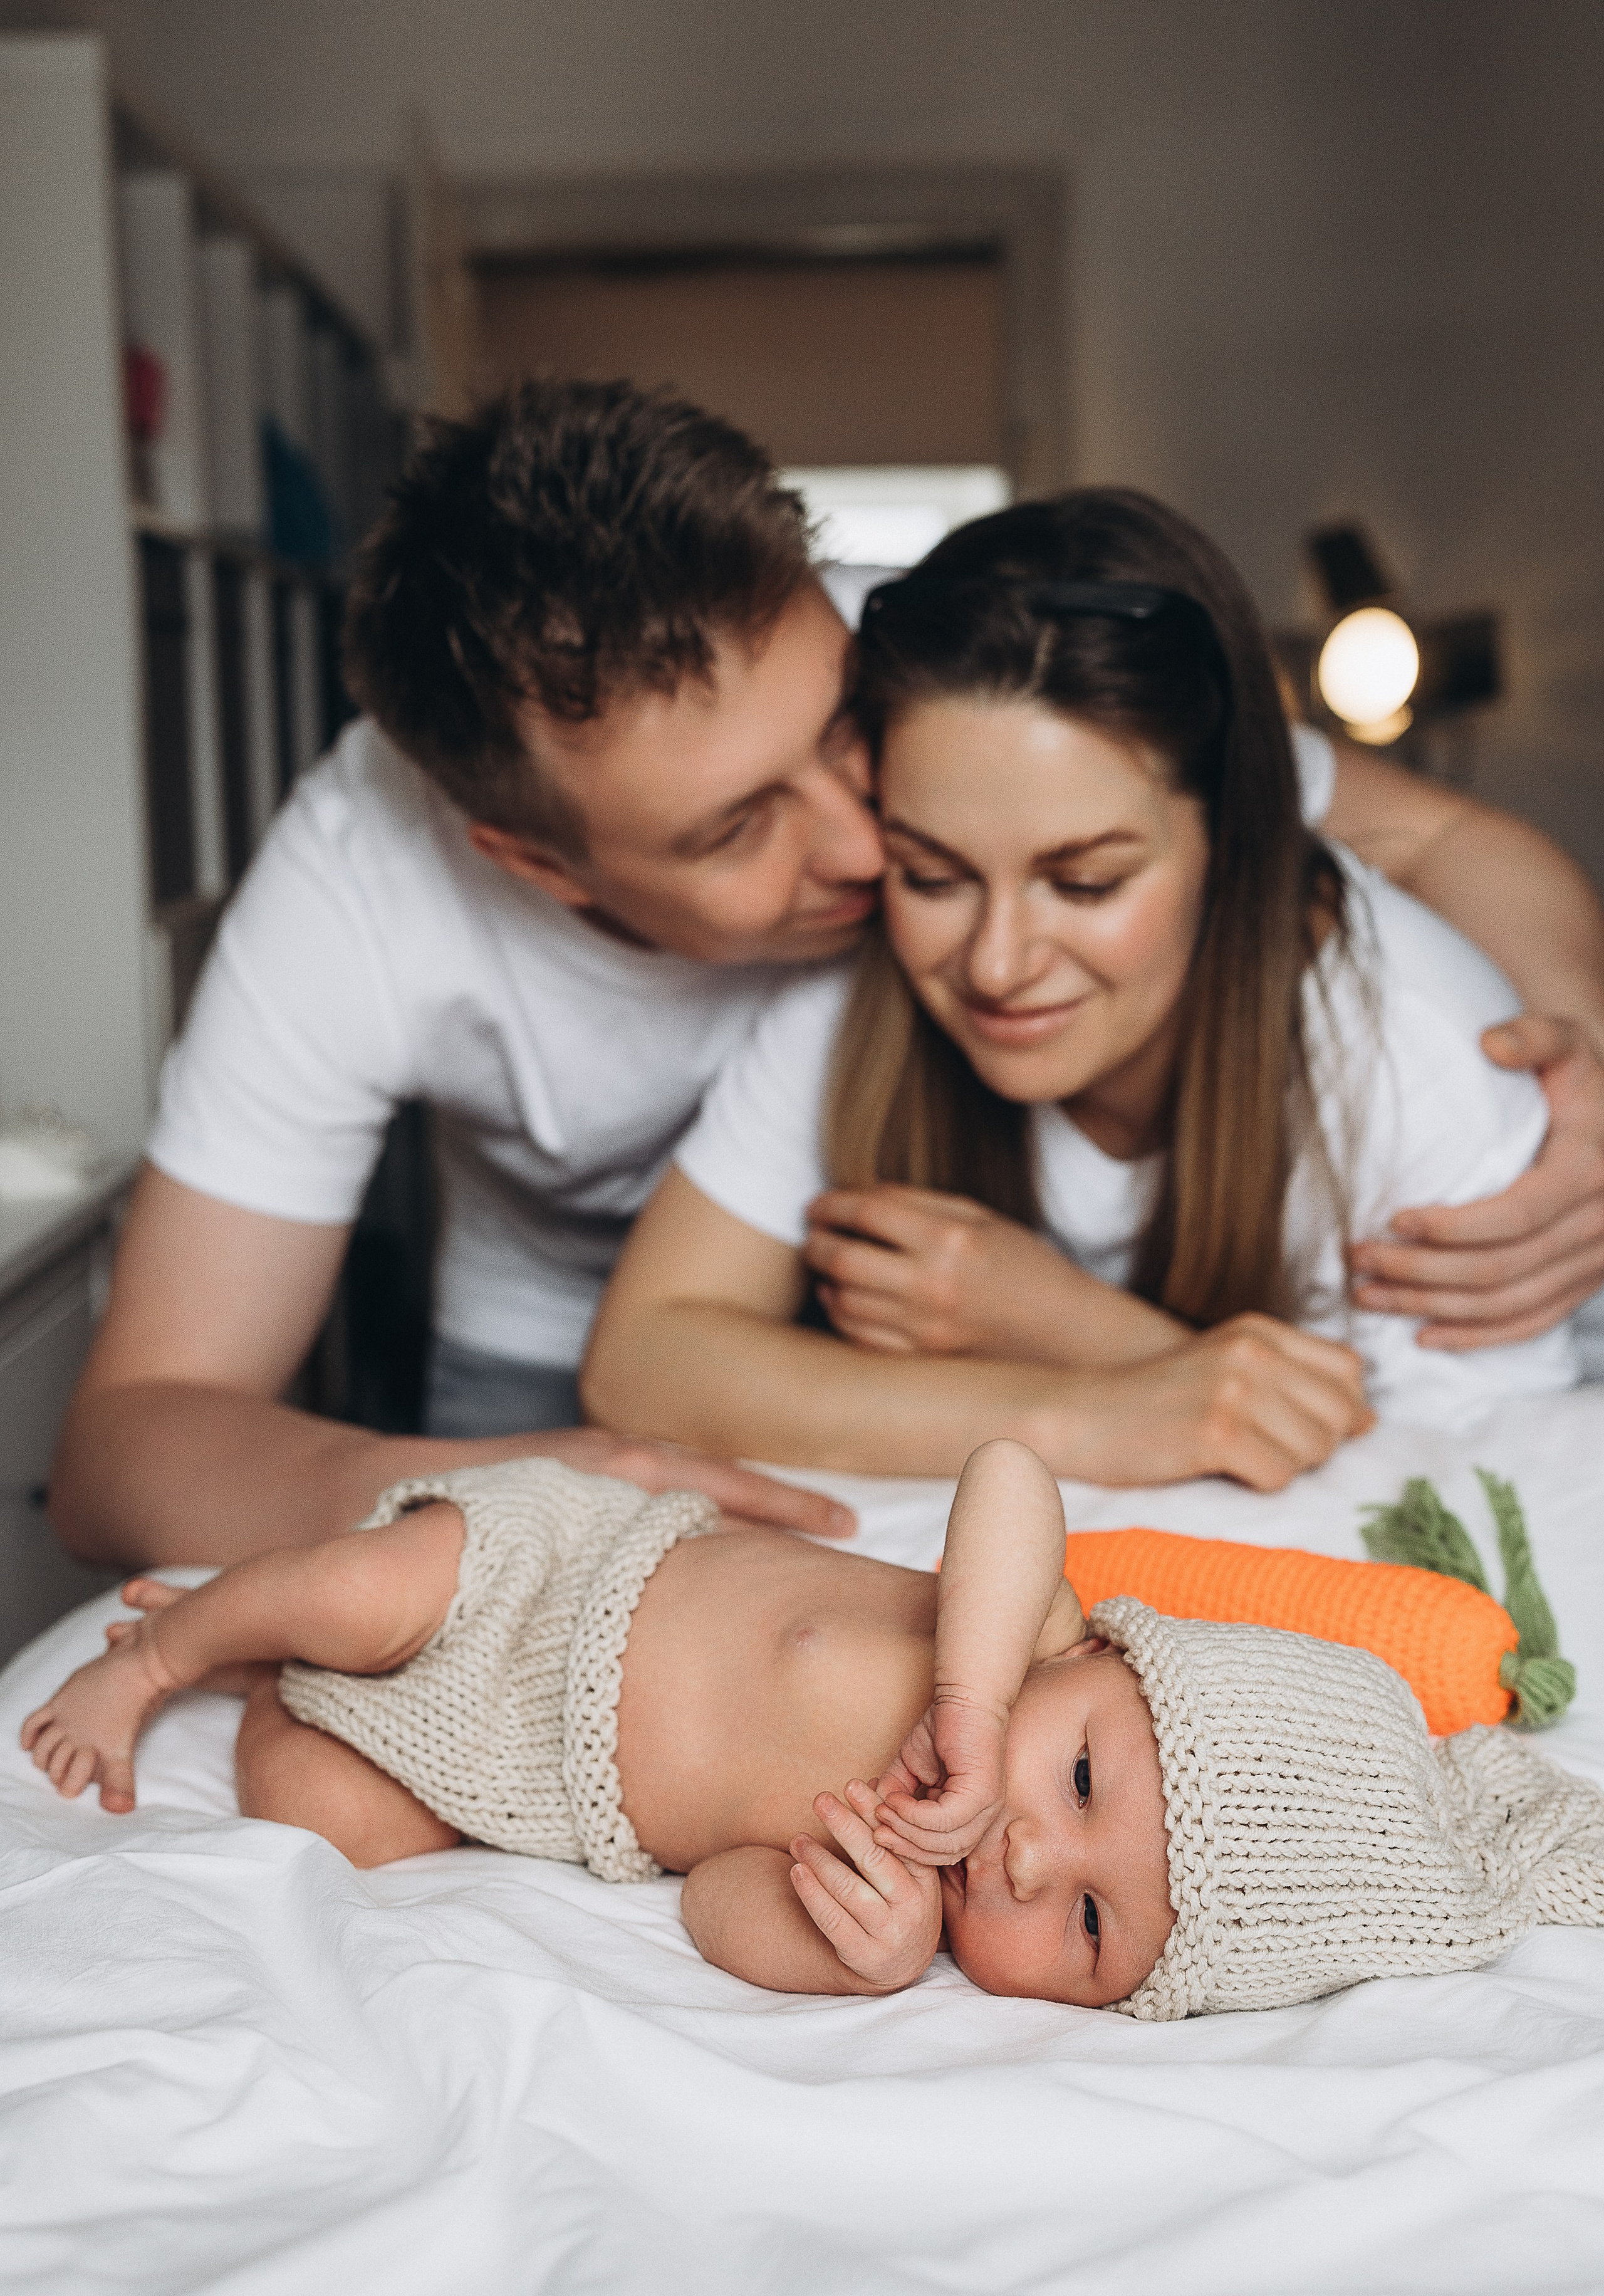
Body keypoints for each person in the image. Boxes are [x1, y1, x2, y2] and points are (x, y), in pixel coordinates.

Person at [47, 384, 1604, 1568]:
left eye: (843, 731)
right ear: (538, 864)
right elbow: (126, 1441)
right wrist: (479, 1481)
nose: (873, 845)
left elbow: (1435, 834)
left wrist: (1566, 1082)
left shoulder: (936, 665)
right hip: (574, 1335)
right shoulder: (356, 904)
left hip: (913, 1314)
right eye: (736, 827)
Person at [583, 489, 1580, 1485]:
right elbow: (644, 1361)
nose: (995, 964)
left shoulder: (1418, 1052)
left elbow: (1473, 1496)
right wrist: (1084, 1410)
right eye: (932, 874)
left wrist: (1073, 1328)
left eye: (1086, 883)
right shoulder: (863, 978)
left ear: (1233, 840)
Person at [21, 1442, 1604, 2014]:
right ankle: (167, 1653)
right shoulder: (1022, 1631)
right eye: (1078, 1777)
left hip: (520, 1766)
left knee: (330, 1825)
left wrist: (847, 1946)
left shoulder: (892, 1889)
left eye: (1089, 1924)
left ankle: (261, 1667)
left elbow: (708, 1892)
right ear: (1106, 1656)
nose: (1029, 1854)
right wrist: (974, 1693)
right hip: (555, 1569)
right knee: (364, 1585)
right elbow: (1005, 1473)